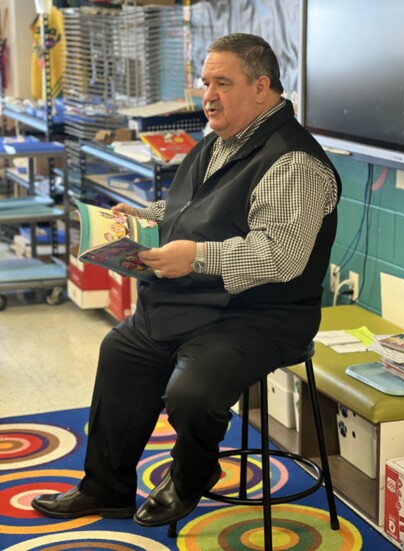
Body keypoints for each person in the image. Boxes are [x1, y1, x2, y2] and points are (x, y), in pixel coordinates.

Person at [32, 33, 341, 528]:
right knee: (121, 351)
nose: (208, 96)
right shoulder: (219, 141)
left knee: (191, 392)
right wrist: (139, 219)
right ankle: (106, 490)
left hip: (261, 315)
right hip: (195, 303)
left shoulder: (293, 162)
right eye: (205, 83)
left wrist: (194, 257)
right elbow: (189, 213)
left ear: (262, 88)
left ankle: (194, 473)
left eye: (222, 83)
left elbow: (279, 257)